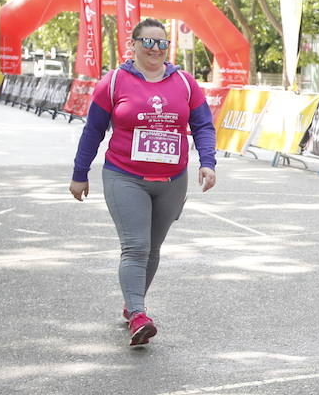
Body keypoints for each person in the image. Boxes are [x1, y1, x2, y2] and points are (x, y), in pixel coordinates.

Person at [70, 18, 218, 346]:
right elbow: (93, 130)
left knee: (152, 249)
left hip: (171, 179)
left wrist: (207, 163)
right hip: (125, 176)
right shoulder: (113, 82)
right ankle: (139, 313)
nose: (155, 48)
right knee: (136, 246)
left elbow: (204, 126)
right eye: (148, 42)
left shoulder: (184, 82)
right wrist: (80, 174)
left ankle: (131, 302)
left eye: (161, 43)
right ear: (133, 44)